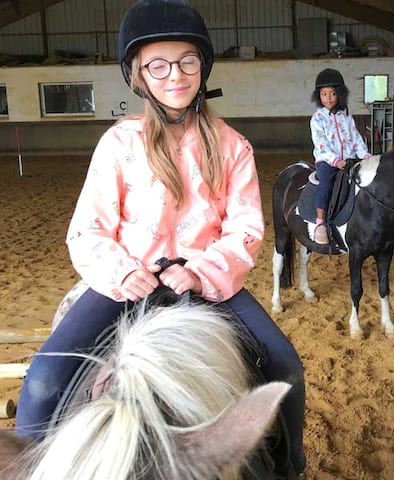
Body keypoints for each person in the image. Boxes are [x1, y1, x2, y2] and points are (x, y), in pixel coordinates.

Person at [15, 0, 306, 476]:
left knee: (285, 365)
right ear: (139, 75)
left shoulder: (233, 146)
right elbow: (87, 228)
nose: (176, 74)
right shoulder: (119, 144)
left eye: (188, 61)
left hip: (206, 282)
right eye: (159, 65)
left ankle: (291, 464)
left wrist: (201, 271)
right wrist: (123, 271)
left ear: (202, 66)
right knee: (45, 379)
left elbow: (246, 229)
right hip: (131, 280)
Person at [309, 68, 371, 244]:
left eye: (332, 93)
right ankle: (320, 222)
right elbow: (321, 144)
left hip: (350, 158)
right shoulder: (317, 119)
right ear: (318, 96)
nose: (328, 98)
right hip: (328, 160)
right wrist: (336, 161)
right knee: (326, 184)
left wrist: (365, 155)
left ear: (339, 95)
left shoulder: (346, 117)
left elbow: (356, 138)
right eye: (324, 94)